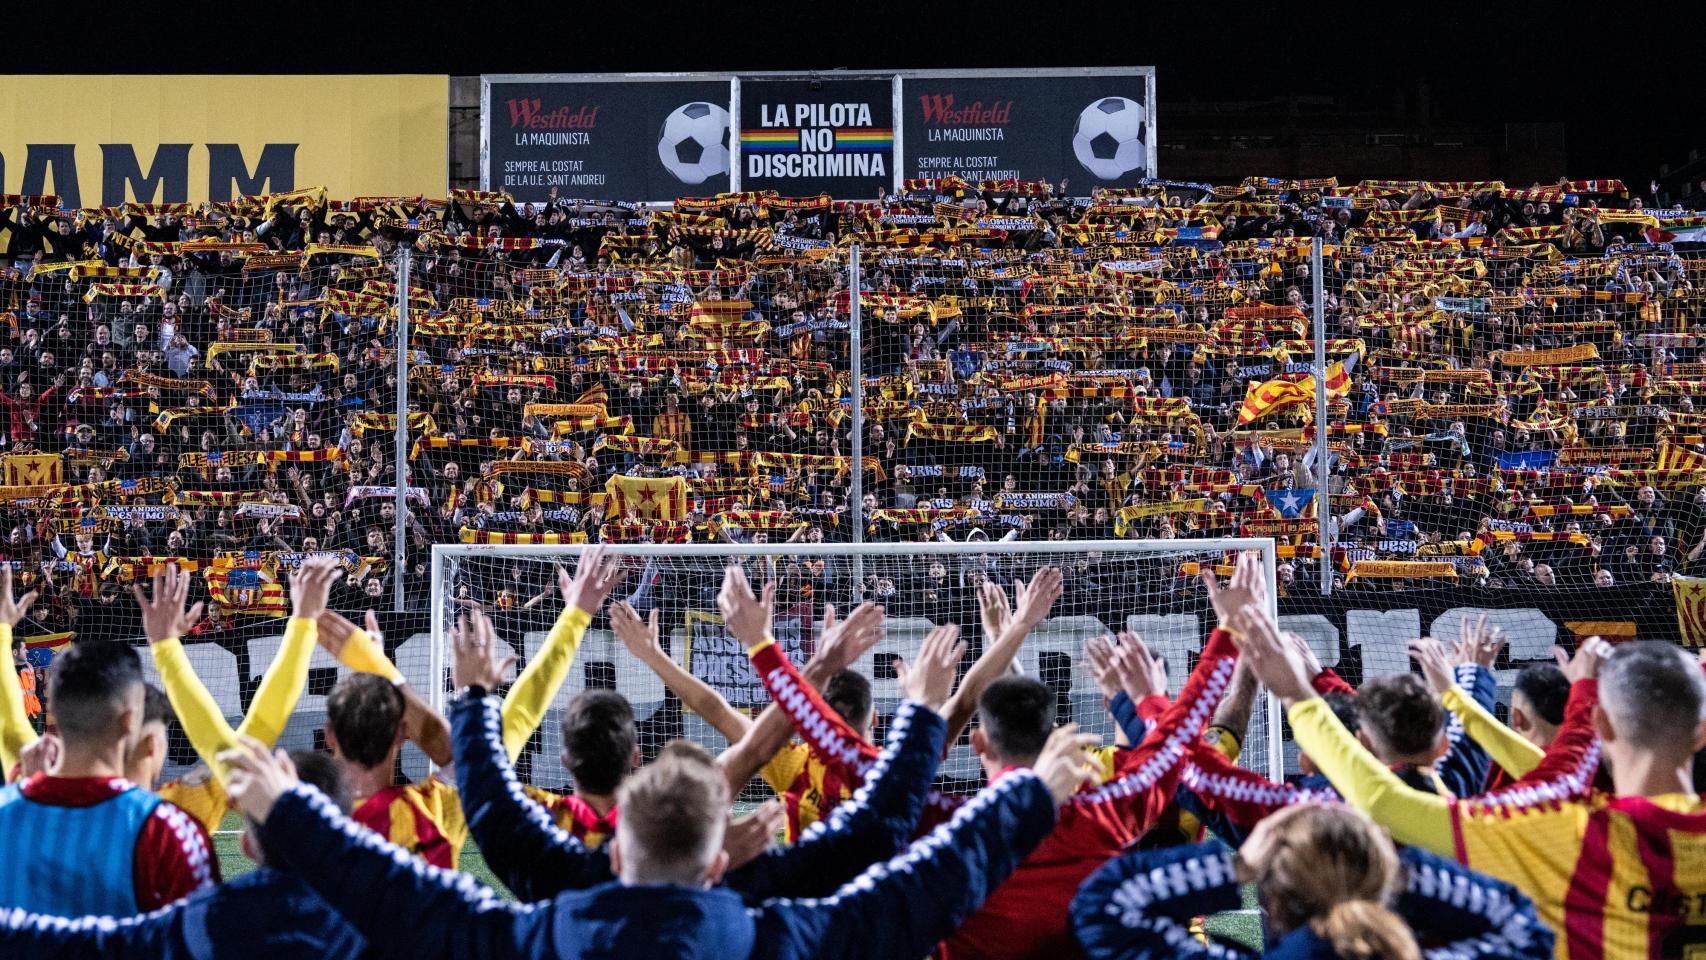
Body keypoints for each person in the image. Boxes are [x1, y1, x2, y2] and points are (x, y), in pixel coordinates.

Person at [219, 696, 1102, 960]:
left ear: (613, 854)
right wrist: (1028, 796)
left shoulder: (540, 936)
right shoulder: (782, 939)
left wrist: (291, 810)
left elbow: (398, 893)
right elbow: (916, 880)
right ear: (720, 863)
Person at [1238, 598, 1706, 959]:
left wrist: (1296, 695)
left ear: (1602, 725)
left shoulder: (1562, 828)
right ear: (1701, 731)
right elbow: (1550, 768)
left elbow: (1383, 801)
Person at [451, 603, 964, 903]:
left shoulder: (795, 765)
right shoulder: (900, 775)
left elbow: (723, 715)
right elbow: (956, 713)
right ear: (875, 720)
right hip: (859, 904)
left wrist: (653, 655)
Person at [308, 545, 628, 867]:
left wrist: (372, 664)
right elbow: (512, 724)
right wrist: (575, 617)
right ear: (401, 736)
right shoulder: (434, 810)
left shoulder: (301, 828)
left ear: (329, 735)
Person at [0, 751, 369, 960]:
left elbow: (87, 943)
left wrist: (43, 805)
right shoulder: (386, 913)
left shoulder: (207, 917)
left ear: (247, 843)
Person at [1072, 804, 1553, 960]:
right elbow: (1524, 928)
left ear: (1273, 888)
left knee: (1225, 926)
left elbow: (1101, 905)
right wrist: (1396, 870)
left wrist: (1237, 867)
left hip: (1264, 928)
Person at [0, 595, 217, 913]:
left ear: (54, 714)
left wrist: (4, 630)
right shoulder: (168, 830)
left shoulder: (8, 809)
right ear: (131, 721)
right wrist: (167, 647)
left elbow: (10, 726)